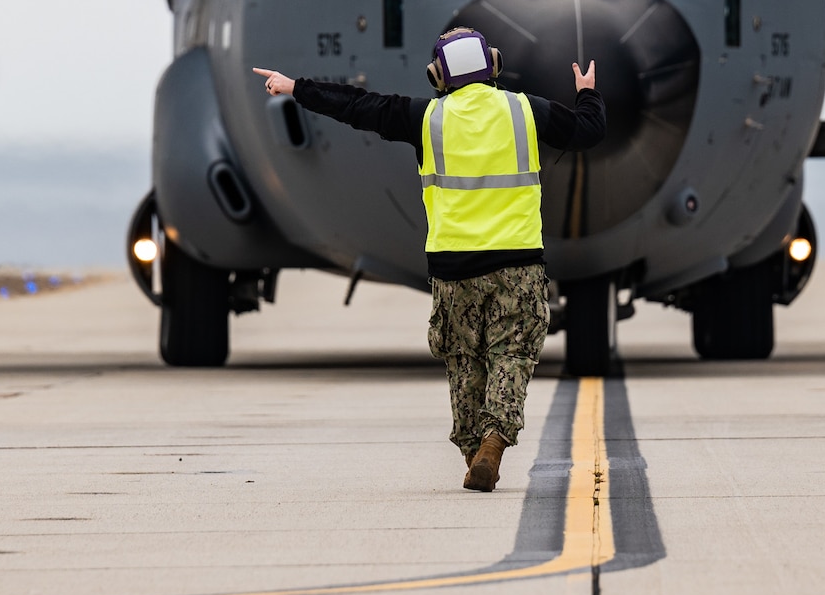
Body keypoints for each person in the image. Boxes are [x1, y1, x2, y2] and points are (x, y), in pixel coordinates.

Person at [254, 28, 605, 491]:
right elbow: (588, 132)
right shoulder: (525, 110)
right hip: (517, 262)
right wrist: (587, 95)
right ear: (493, 65)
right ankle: (496, 437)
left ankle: (472, 446)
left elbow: (357, 106)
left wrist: (296, 87)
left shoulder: (425, 118)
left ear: (437, 75)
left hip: (453, 268)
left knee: (462, 359)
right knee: (512, 354)